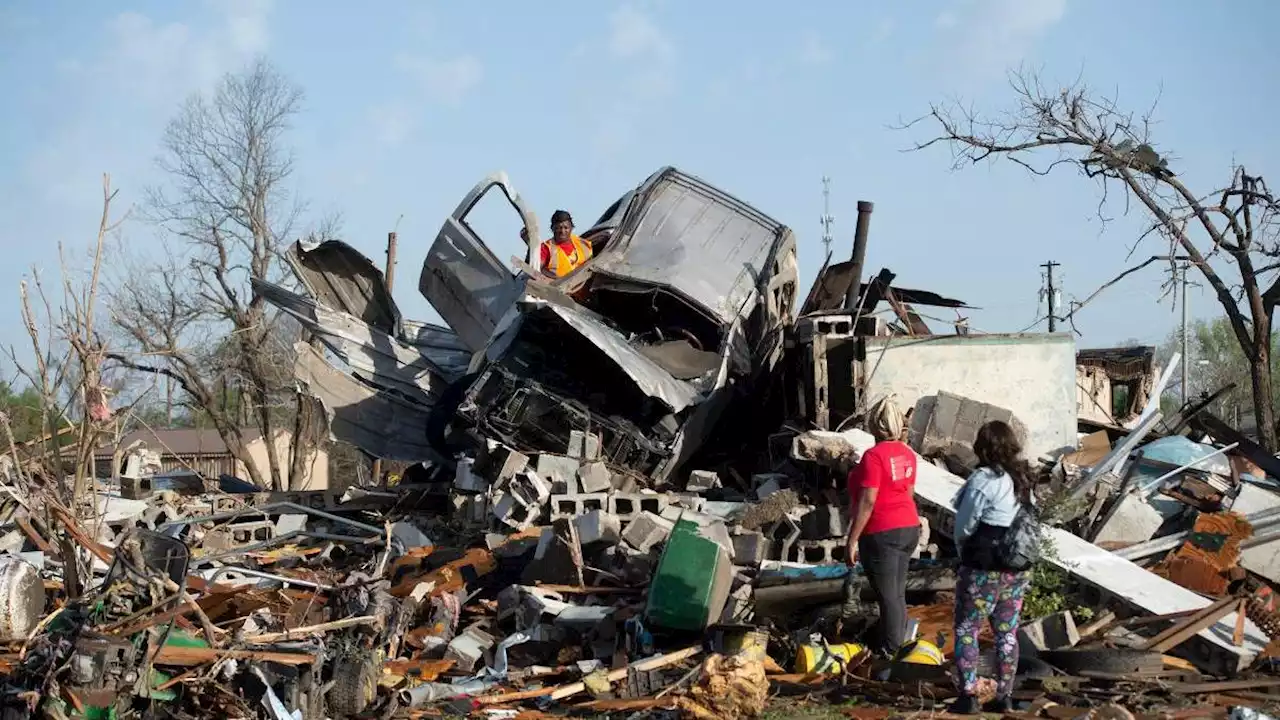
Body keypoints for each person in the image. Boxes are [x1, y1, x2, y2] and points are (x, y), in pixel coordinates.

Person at [950, 420, 1036, 715]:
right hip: (1016, 570)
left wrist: (963, 554)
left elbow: (964, 526)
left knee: (966, 629)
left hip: (982, 569)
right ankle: (1005, 695)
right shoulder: (1022, 480)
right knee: (1007, 633)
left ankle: (969, 695)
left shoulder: (983, 479)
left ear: (982, 447)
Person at [845, 396, 920, 661]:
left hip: (881, 532)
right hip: (909, 527)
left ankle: (891, 653)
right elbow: (909, 493)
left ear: (874, 425)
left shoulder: (873, 457)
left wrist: (852, 539)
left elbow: (868, 500)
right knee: (897, 594)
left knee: (888, 596)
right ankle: (897, 647)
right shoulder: (907, 455)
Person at [523, 210, 592, 278]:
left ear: (571, 228)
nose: (562, 231)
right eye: (558, 228)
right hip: (558, 286)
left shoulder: (582, 243)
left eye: (566, 227)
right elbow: (536, 269)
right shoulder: (546, 248)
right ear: (552, 229)